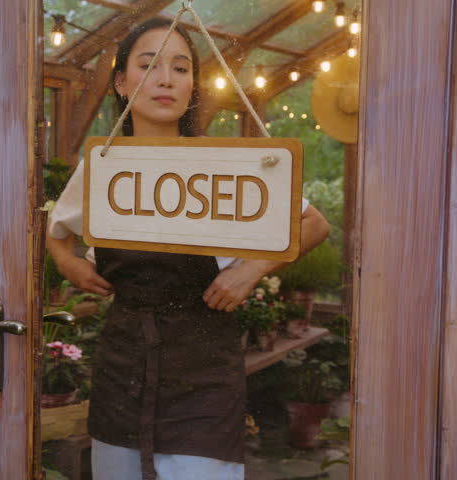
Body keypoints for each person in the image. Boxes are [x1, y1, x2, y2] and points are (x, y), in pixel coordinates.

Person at [46, 18, 331, 480]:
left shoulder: (224, 164)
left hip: (205, 377)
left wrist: (252, 269)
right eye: (149, 65)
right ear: (121, 81)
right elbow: (57, 231)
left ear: (192, 85)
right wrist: (68, 263)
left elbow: (313, 223)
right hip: (123, 369)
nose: (165, 79)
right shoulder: (103, 164)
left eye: (180, 69)